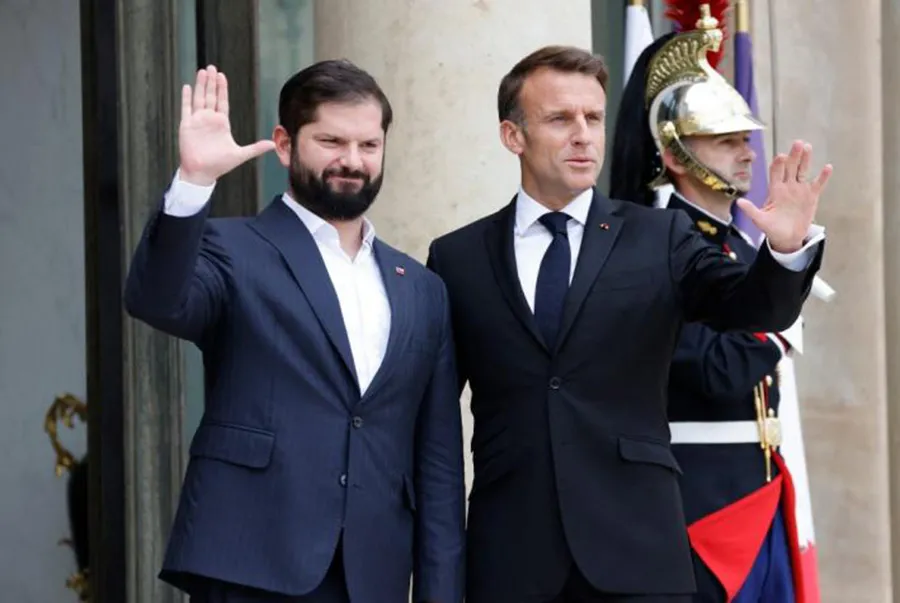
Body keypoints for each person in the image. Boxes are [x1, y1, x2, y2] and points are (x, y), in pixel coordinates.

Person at [425, 10, 831, 603]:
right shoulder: (457, 257)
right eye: (560, 119)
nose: (583, 134)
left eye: (592, 117)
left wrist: (785, 249)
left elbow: (750, 308)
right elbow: (434, 427)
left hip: (639, 556)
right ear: (513, 135)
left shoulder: (658, 238)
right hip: (508, 558)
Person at [124, 60, 465, 603]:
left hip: (372, 574)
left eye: (369, 145)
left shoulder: (422, 288)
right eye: (331, 140)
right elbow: (156, 300)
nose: (351, 161)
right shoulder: (230, 248)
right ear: (284, 144)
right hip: (251, 562)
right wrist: (194, 181)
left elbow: (438, 464)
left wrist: (440, 592)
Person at [609, 18, 809, 603]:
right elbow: (716, 371)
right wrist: (783, 323)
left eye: (744, 138)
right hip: (701, 509)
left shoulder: (734, 245)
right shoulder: (659, 245)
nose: (747, 154)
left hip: (761, 493)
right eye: (726, 141)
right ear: (674, 155)